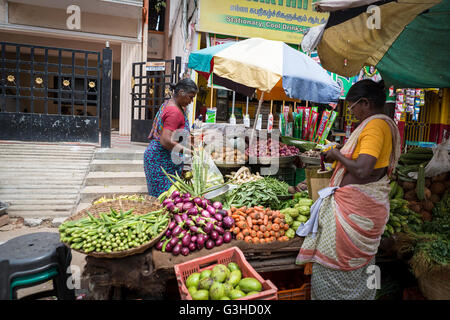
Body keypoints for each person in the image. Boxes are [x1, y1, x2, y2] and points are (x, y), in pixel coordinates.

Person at [295, 79, 401, 300]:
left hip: (356, 210)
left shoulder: (375, 126)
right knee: (358, 274)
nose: (352, 113)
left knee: (335, 268)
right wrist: (342, 151)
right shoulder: (379, 125)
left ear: (365, 103)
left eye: (352, 107)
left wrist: (337, 155)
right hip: (358, 209)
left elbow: (363, 170)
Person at [144, 78, 198, 197]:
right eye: (190, 97)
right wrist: (187, 150)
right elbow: (165, 140)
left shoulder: (172, 104)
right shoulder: (174, 111)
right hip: (160, 160)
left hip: (162, 158)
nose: (191, 101)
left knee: (168, 200)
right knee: (165, 200)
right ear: (181, 93)